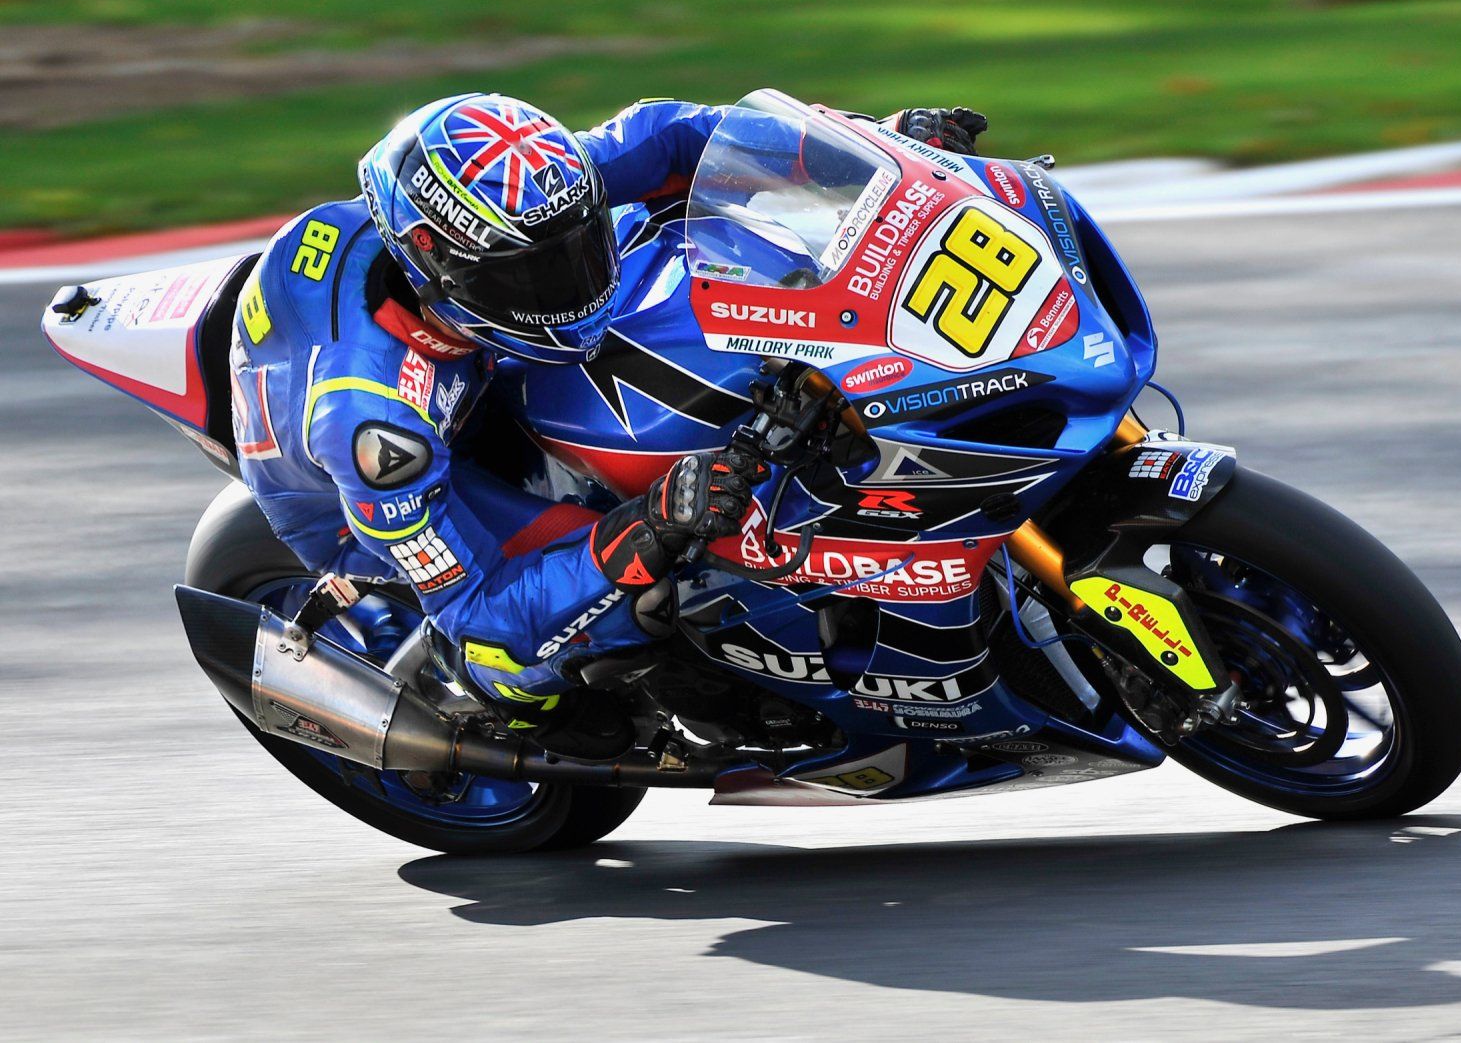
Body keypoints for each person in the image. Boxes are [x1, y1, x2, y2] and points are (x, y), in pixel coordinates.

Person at [229, 93, 988, 760]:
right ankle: (524, 707)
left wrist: (866, 148)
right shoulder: (378, 433)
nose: (576, 285)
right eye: (537, 276)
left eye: (582, 249)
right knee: (630, 593)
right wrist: (648, 526)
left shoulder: (516, 199)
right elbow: (476, 606)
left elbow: (673, 138)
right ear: (439, 264)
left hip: (470, 364)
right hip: (372, 505)